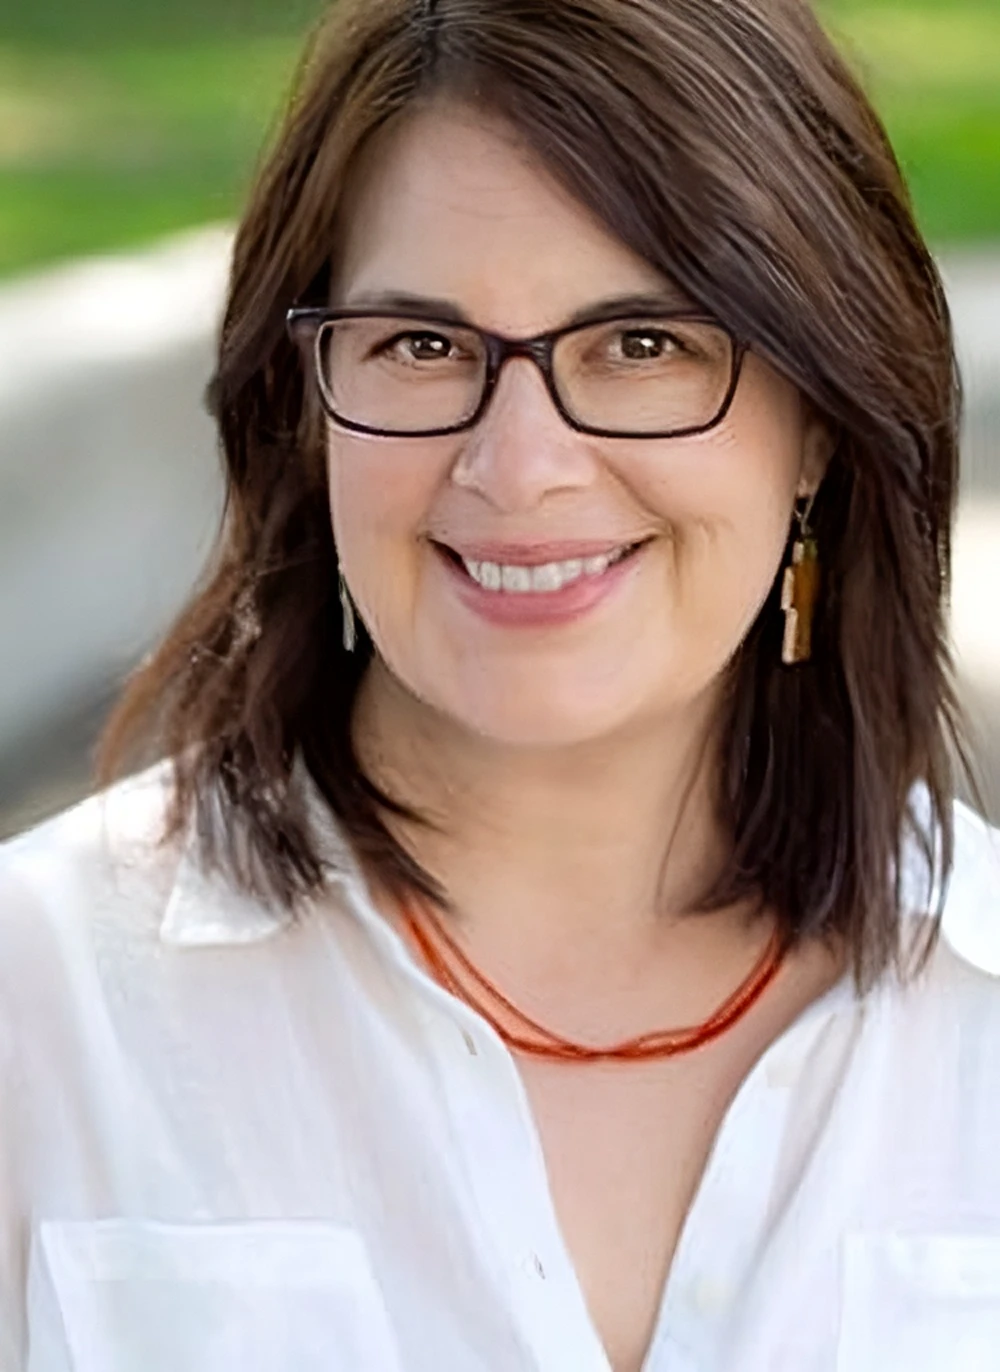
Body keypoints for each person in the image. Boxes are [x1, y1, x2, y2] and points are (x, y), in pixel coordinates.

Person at [1, 0, 998, 1368]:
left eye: (643, 346)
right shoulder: (37, 1008)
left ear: (819, 420)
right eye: (422, 347)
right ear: (304, 408)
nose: (518, 467)